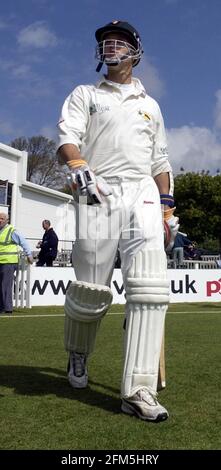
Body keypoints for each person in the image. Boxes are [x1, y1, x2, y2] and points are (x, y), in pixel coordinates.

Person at [57, 20, 179, 422]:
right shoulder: (86, 94)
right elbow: (67, 138)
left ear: (136, 50)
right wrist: (77, 163)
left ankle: (138, 389)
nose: (111, 45)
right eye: (107, 42)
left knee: (149, 286)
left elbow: (160, 161)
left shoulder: (150, 104)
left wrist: (166, 207)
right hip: (97, 188)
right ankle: (78, 355)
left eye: (120, 41)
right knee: (90, 288)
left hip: (142, 190)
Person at [0, 212, 33, 314]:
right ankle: (2, 307)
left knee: (5, 285)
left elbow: (24, 242)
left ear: (7, 220)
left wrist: (29, 255)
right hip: (2, 262)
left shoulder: (11, 231)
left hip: (9, 262)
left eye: (2, 218)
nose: (0, 220)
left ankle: (7, 309)